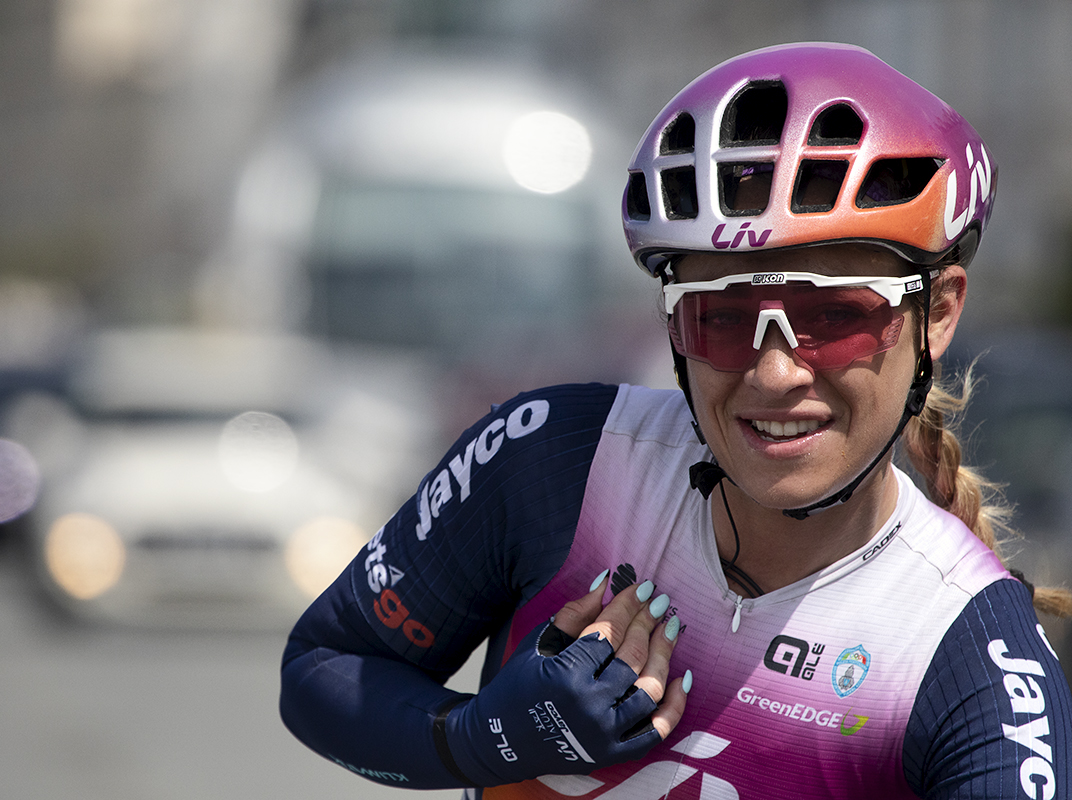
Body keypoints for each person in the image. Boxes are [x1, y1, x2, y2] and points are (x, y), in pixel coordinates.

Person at [279, 42, 1072, 799]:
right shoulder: (554, 464)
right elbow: (321, 669)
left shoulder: (970, 656)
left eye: (834, 315)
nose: (774, 372)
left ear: (936, 314)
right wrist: (490, 735)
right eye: (721, 319)